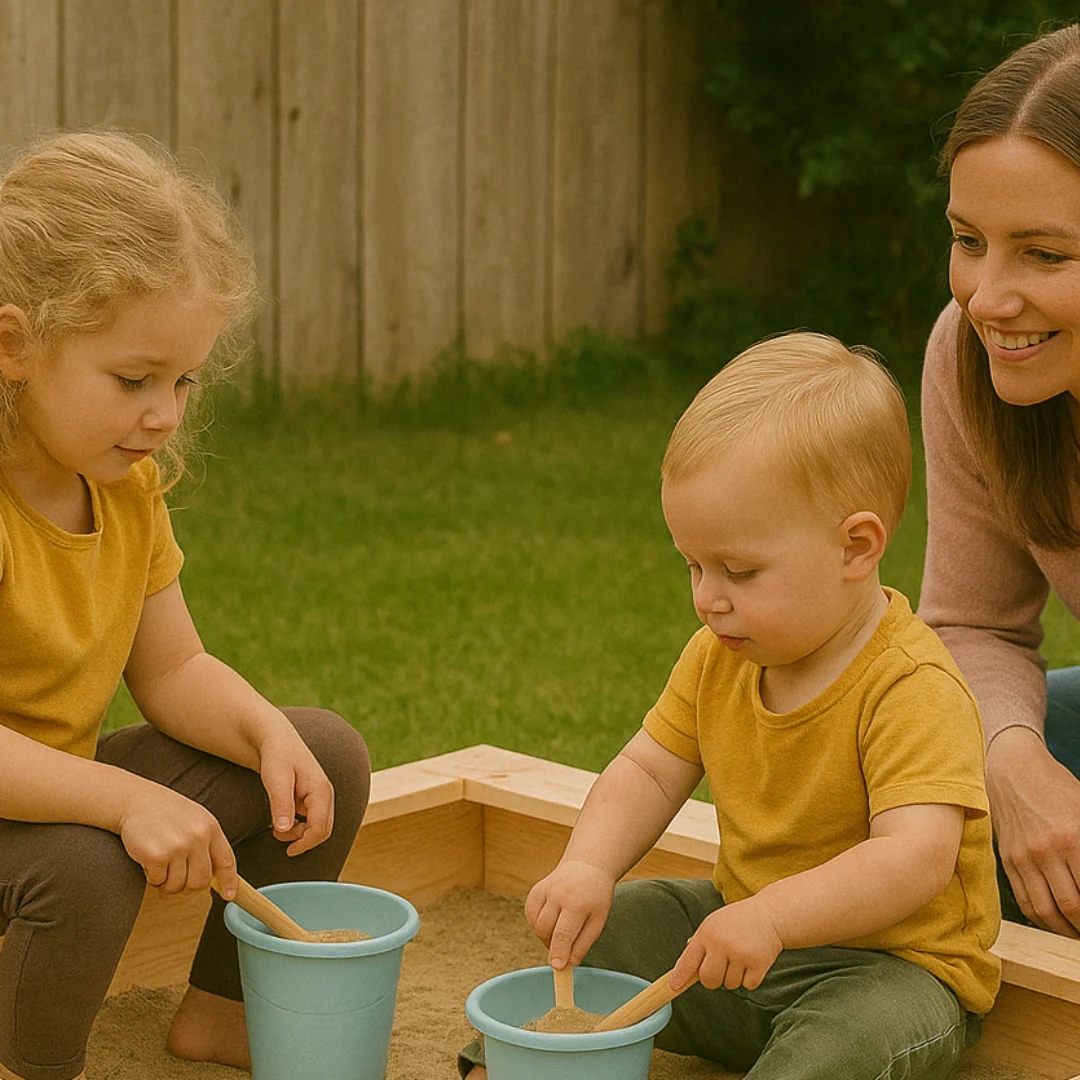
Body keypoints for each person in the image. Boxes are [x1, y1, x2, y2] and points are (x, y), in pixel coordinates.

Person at [460, 332, 1000, 1079]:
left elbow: (915, 859)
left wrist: (774, 917)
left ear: (855, 549)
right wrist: (588, 865)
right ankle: (509, 1061)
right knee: (606, 928)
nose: (708, 598)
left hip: (888, 970)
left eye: (740, 570)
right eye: (693, 564)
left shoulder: (911, 686)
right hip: (733, 948)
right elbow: (649, 770)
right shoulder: (719, 656)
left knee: (845, 1044)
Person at [0, 131, 371, 1080]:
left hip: (44, 802)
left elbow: (171, 670)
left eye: (182, 381)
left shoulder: (122, 486)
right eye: (134, 380)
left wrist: (260, 733)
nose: (165, 414)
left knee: (318, 753)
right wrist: (127, 801)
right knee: (88, 867)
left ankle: (221, 1017)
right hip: (37, 835)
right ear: (15, 346)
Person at [920, 23, 1080, 938]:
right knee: (906, 772)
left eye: (1044, 254)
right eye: (969, 239)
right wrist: (1015, 766)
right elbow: (973, 623)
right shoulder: (970, 355)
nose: (986, 297)